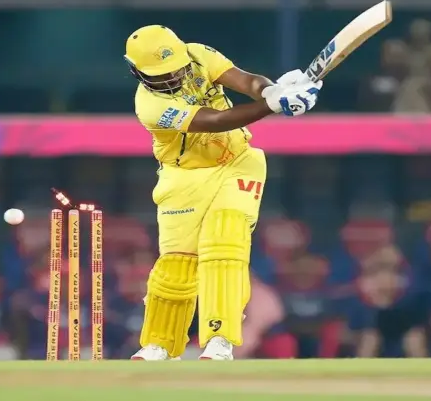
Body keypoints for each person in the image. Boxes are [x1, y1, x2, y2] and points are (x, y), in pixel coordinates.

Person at [124, 25, 323, 360]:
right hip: (182, 176)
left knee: (225, 243)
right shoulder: (150, 105)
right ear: (136, 71)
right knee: (176, 265)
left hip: (236, 163)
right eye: (161, 75)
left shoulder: (198, 53)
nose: (172, 78)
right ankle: (159, 343)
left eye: (175, 70)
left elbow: (246, 81)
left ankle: (220, 338)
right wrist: (273, 105)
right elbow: (216, 120)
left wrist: (271, 90)